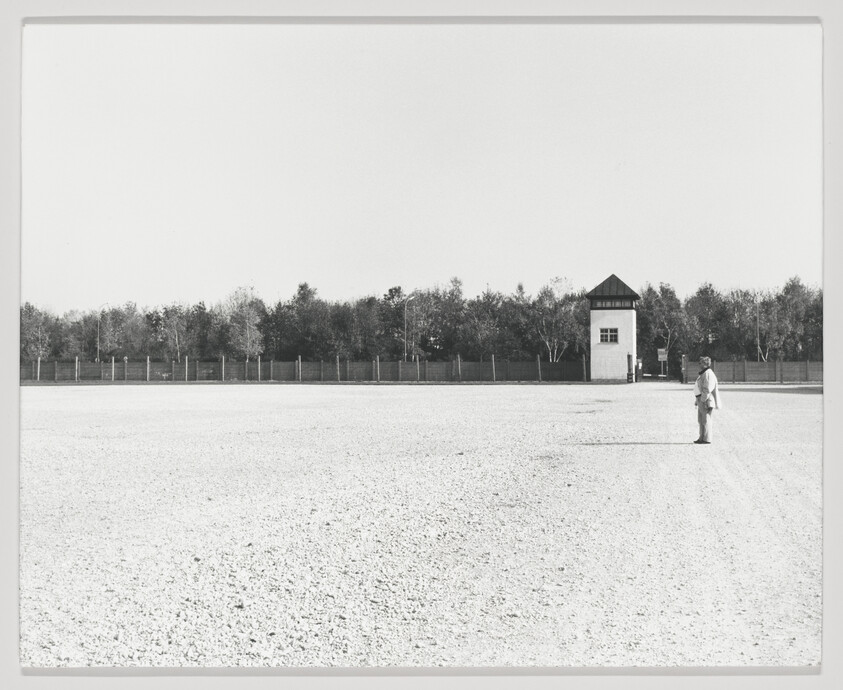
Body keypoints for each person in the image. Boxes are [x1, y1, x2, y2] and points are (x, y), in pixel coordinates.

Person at [694, 356, 721, 444]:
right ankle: (701, 438)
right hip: (701, 399)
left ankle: (706, 439)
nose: (699, 364)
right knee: (701, 420)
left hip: (705, 401)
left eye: (701, 362)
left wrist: (703, 400)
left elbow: (707, 389)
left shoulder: (708, 374)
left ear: (705, 364)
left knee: (706, 420)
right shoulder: (704, 373)